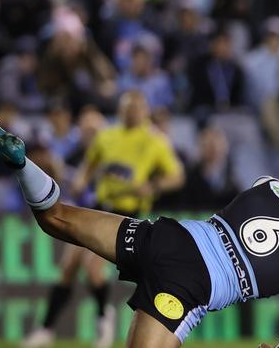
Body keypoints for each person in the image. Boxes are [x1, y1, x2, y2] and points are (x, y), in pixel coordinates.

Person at [0, 117, 279, 347]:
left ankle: (21, 163)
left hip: (169, 238)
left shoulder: (272, 184)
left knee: (57, 218)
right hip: (187, 285)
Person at [23, 90, 185, 348]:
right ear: (121, 110)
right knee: (68, 266)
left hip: (127, 213)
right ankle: (47, 329)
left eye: (136, 107)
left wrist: (153, 186)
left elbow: (176, 176)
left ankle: (103, 320)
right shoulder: (107, 136)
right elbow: (90, 164)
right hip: (100, 205)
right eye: (127, 107)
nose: (132, 112)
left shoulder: (155, 141)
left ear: (144, 110)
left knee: (92, 266)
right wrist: (81, 180)